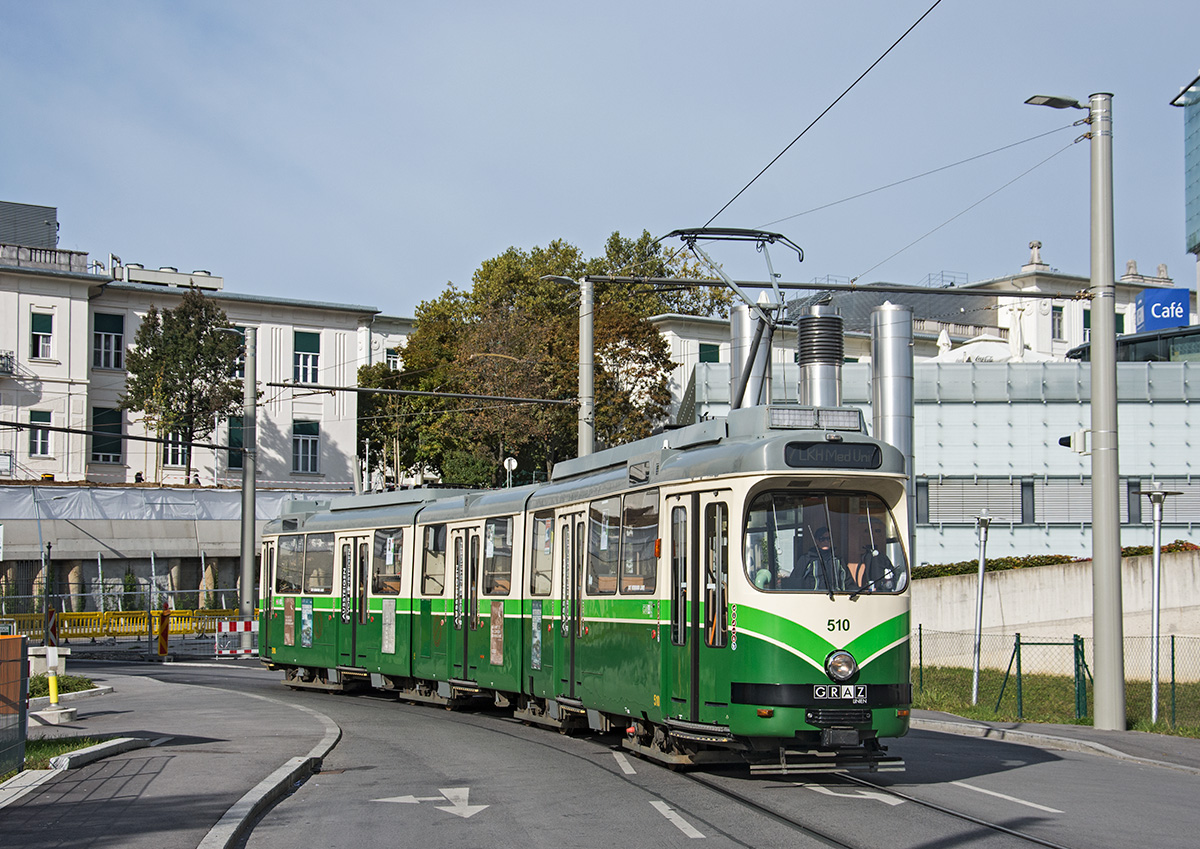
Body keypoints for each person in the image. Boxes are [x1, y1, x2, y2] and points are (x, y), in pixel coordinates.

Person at [786, 527, 850, 591]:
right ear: (816, 541)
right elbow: (794, 583)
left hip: (836, 596)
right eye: (822, 539)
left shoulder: (838, 560)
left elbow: (848, 583)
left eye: (828, 539)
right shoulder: (806, 559)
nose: (826, 541)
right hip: (813, 596)